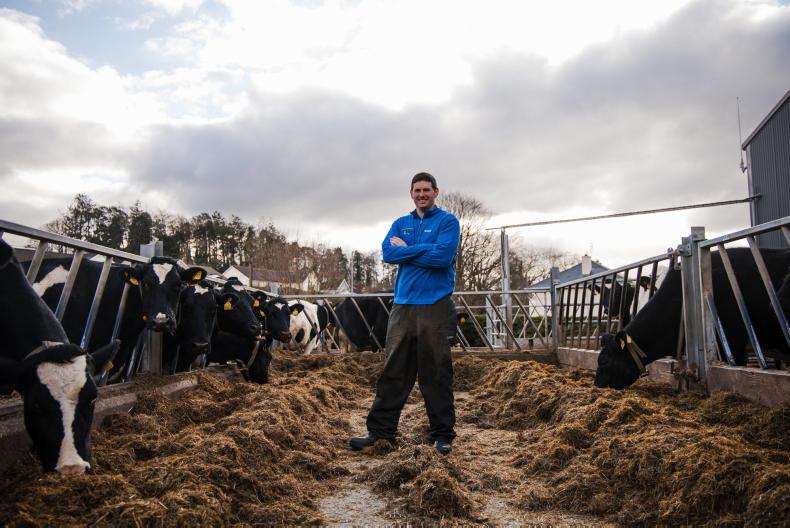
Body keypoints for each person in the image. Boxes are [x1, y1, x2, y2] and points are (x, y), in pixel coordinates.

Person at [349, 172, 461, 456]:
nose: (422, 194)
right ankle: (380, 432)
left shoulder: (448, 222)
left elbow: (443, 258)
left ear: (436, 192)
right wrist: (422, 251)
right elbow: (388, 254)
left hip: (435, 305)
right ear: (411, 193)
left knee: (435, 372)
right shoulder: (400, 223)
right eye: (417, 190)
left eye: (427, 190)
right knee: (393, 371)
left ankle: (442, 435)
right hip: (403, 305)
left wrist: (408, 250)